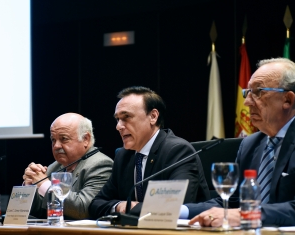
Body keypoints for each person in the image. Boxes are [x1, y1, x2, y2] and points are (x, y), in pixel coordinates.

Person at [187, 58, 295, 227]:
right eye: (247, 92)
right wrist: (180, 211)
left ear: (288, 100)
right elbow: (230, 203)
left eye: (258, 92)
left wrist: (244, 216)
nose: (247, 102)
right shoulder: (251, 144)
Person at [89, 86, 210, 219]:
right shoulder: (123, 156)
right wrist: (119, 205)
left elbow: (174, 206)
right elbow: (96, 204)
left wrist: (130, 208)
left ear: (153, 116)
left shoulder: (178, 151)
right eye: (118, 119)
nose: (118, 126)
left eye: (126, 117)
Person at [23, 113, 113, 220]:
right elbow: (41, 212)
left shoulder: (100, 164)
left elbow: (84, 209)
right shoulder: (55, 167)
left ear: (85, 139)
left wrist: (44, 184)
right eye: (53, 140)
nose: (56, 146)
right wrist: (30, 187)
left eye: (64, 139)